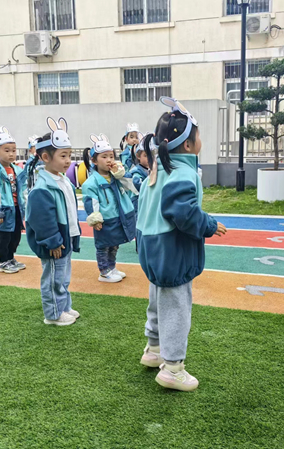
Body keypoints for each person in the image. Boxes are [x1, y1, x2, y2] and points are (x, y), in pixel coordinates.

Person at [136, 97, 226, 392]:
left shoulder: (157, 170)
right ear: (188, 144)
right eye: (198, 136)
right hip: (172, 250)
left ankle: (154, 350)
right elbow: (183, 213)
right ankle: (173, 368)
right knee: (176, 308)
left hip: (151, 248)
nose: (201, 140)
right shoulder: (182, 173)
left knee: (157, 300)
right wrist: (209, 225)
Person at [26, 117, 81, 326]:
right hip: (54, 243)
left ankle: (63, 306)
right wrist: (52, 241)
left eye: (70, 155)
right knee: (53, 278)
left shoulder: (62, 180)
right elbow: (41, 219)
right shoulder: (43, 188)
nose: (68, 160)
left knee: (63, 277)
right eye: (63, 155)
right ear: (46, 157)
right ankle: (53, 314)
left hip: (65, 238)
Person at [81, 134, 137, 283]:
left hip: (117, 216)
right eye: (104, 157)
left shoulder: (115, 176)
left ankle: (112, 267)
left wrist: (120, 173)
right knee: (103, 246)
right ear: (94, 161)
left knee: (114, 244)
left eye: (111, 156)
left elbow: (130, 185)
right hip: (105, 219)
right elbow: (91, 202)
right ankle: (104, 271)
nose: (109, 160)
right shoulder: (91, 182)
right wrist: (95, 218)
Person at [0, 126, 27, 274]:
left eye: (14, 150)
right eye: (7, 150)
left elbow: (23, 190)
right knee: (4, 236)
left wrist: (25, 205)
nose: (11, 154)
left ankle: (11, 258)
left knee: (15, 235)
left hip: (16, 208)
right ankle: (3, 261)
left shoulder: (18, 170)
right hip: (4, 209)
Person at [128, 133, 154, 212]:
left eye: (151, 155)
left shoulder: (151, 169)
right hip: (138, 201)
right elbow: (139, 185)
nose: (149, 158)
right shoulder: (137, 173)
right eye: (146, 156)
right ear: (138, 156)